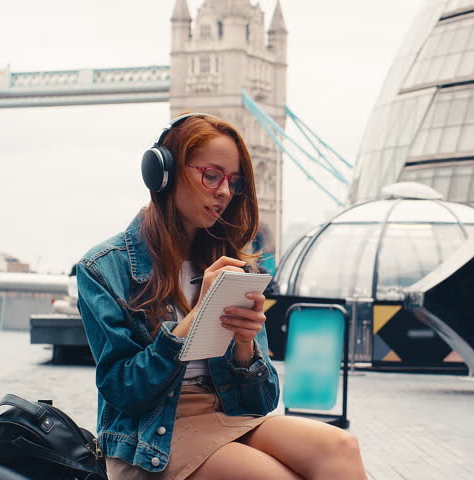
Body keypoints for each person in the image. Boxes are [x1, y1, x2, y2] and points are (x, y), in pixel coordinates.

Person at [76, 113, 367, 480]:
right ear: (163, 174)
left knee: (341, 448)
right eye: (212, 176)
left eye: (234, 181)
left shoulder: (231, 265)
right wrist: (196, 317)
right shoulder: (104, 268)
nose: (225, 192)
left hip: (227, 417)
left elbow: (263, 402)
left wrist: (246, 347)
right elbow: (123, 391)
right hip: (151, 435)